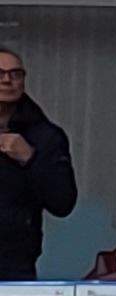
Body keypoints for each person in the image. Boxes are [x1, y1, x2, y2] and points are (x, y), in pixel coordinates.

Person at [0, 48, 74, 281]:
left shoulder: (45, 136)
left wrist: (30, 157)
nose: (7, 80)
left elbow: (63, 202)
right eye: (0, 74)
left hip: (13, 262)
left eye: (15, 74)